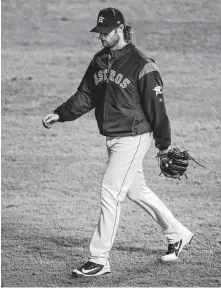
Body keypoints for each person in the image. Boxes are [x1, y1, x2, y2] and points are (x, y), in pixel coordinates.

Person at [42, 7, 193, 277]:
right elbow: (86, 95)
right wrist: (61, 113)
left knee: (110, 192)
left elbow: (157, 108)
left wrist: (164, 145)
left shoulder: (143, 64)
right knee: (136, 190)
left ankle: (99, 259)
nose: (100, 36)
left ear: (120, 29)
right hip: (112, 139)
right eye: (98, 31)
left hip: (134, 137)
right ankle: (178, 233)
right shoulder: (99, 60)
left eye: (105, 32)